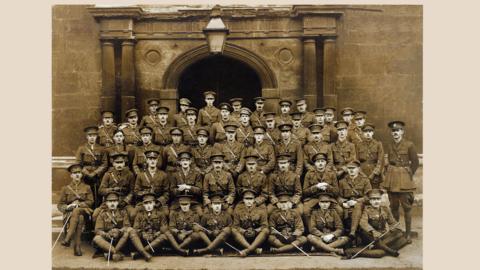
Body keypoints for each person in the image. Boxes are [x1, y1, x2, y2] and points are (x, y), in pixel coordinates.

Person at [382, 120, 419, 243]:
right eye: (393, 131)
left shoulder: (409, 145)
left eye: (397, 130)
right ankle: (396, 232)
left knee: (407, 207)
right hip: (392, 178)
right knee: (393, 207)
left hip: (404, 179)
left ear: (402, 131)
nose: (395, 133)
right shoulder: (389, 144)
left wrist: (408, 175)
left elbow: (415, 163)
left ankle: (407, 234)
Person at [355, 189, 409, 258]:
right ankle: (388, 250)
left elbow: (392, 222)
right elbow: (363, 223)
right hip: (371, 236)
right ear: (370, 201)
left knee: (401, 236)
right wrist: (373, 232)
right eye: (373, 199)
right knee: (367, 234)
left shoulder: (385, 208)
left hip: (382, 234)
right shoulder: (367, 209)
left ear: (380, 199)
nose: (376, 201)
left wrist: (395, 228)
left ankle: (377, 248)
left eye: (378, 199)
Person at [58, 163, 94, 256]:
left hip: (84, 210)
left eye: (79, 172)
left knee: (79, 212)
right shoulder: (65, 189)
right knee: (80, 218)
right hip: (70, 214)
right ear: (71, 175)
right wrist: (68, 207)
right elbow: (60, 205)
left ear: (82, 174)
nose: (77, 174)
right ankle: (77, 247)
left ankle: (68, 238)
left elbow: (91, 201)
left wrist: (80, 204)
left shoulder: (87, 187)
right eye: (74, 173)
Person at [92, 192, 135, 262]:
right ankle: (115, 252)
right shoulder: (102, 214)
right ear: (106, 203)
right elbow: (97, 230)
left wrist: (119, 231)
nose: (112, 203)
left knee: (128, 232)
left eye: (114, 201)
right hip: (107, 240)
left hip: (120, 240)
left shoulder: (123, 212)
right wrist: (106, 234)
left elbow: (127, 226)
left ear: (118, 202)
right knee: (97, 238)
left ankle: (110, 253)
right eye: (110, 201)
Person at [303, 153, 340, 231]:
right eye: (318, 161)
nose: (320, 163)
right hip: (315, 198)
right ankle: (310, 230)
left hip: (328, 198)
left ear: (326, 163)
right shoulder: (309, 174)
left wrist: (328, 186)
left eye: (322, 161)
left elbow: (336, 192)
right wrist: (316, 187)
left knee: (340, 210)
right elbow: (305, 192)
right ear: (314, 163)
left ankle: (336, 231)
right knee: (306, 211)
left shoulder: (332, 173)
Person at [96, 152, 136, 222]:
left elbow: (132, 191)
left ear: (124, 163)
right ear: (113, 164)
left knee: (133, 214)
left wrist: (126, 201)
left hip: (123, 201)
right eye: (117, 163)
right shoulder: (108, 175)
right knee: (95, 214)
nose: (119, 165)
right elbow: (101, 190)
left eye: (121, 162)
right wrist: (112, 189)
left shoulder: (130, 174)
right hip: (110, 201)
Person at [338, 160, 372, 238]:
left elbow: (368, 196)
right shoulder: (342, 181)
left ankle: (352, 232)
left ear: (358, 169)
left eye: (353, 168)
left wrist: (356, 201)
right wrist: (343, 203)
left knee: (357, 206)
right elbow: (338, 196)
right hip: (347, 205)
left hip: (361, 204)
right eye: (349, 168)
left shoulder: (365, 180)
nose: (351, 170)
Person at [75, 126, 107, 207]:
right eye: (90, 136)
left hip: (97, 177)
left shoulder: (102, 149)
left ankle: (96, 214)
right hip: (85, 177)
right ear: (87, 137)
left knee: (97, 196)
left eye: (94, 135)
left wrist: (95, 173)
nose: (92, 138)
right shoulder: (81, 149)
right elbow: (78, 163)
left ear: (96, 136)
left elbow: (105, 163)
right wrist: (87, 173)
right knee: (85, 194)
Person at [231, 189, 270, 257]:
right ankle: (253, 249)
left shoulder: (261, 209)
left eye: (251, 199)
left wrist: (255, 231)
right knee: (233, 230)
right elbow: (235, 226)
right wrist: (244, 231)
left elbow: (265, 225)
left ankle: (247, 251)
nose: (249, 201)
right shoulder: (238, 209)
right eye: (246, 199)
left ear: (254, 199)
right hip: (243, 237)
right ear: (243, 200)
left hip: (256, 236)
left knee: (266, 230)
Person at [131, 193, 169, 261]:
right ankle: (146, 252)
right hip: (144, 240)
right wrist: (143, 234)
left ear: (154, 203)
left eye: (150, 203)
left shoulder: (160, 214)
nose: (148, 205)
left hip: (155, 240)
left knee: (165, 236)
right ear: (143, 205)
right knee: (133, 233)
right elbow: (136, 228)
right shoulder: (139, 215)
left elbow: (164, 227)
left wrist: (156, 234)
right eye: (146, 203)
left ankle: (140, 253)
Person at [133, 150, 170, 218]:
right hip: (145, 202)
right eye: (150, 159)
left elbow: (167, 193)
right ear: (147, 160)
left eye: (154, 159)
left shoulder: (163, 175)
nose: (152, 161)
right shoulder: (141, 175)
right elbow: (136, 191)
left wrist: (159, 201)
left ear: (157, 160)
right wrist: (146, 195)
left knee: (166, 213)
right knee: (134, 214)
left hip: (158, 202)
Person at [170, 151, 204, 215]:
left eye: (187, 160)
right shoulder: (175, 175)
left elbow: (199, 190)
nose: (185, 162)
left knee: (200, 213)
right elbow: (171, 191)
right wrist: (179, 190)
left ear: (190, 162)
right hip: (178, 201)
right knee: (171, 214)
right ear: (180, 162)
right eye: (183, 160)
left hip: (193, 201)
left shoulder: (196, 174)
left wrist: (188, 187)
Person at [356, 123, 384, 188]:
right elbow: (356, 161)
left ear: (373, 133)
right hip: (362, 172)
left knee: (374, 193)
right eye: (365, 132)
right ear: (363, 133)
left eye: (370, 131)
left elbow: (381, 161)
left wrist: (374, 173)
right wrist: (360, 173)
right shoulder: (358, 145)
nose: (368, 133)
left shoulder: (378, 144)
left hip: (374, 173)